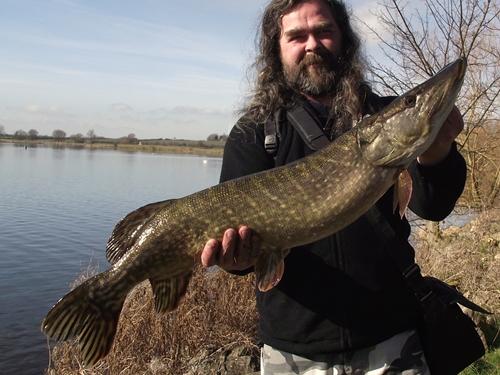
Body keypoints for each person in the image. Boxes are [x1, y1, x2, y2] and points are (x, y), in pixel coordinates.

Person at [201, 0, 466, 373]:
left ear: (344, 39)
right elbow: (240, 254)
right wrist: (237, 261)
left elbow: (433, 206)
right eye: (296, 36)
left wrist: (437, 154)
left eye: (324, 31)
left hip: (392, 340)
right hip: (294, 353)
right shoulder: (253, 134)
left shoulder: (381, 114)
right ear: (277, 49)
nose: (312, 44)